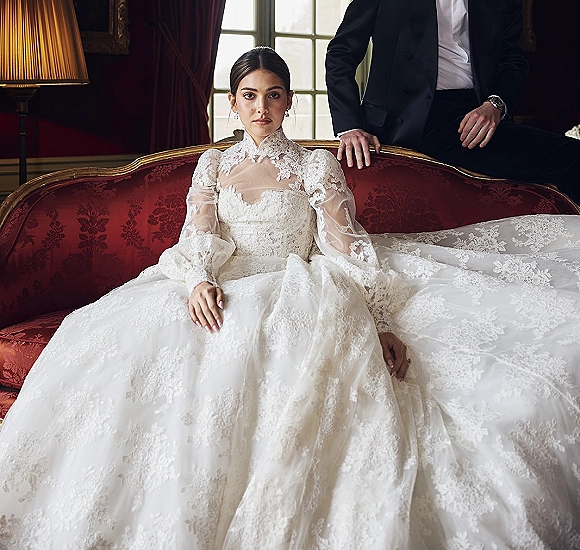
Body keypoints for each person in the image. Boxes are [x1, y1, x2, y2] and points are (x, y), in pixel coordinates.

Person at [1, 46, 580, 549]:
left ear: (288, 103)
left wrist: (378, 320)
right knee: (118, 343)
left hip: (297, 282)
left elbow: (343, 245)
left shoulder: (314, 165)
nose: (261, 108)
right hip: (222, 279)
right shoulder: (213, 165)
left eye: (273, 95)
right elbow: (198, 233)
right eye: (249, 96)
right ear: (233, 103)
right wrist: (198, 278)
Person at [325, 0, 580, 206]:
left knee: (568, 158)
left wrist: (495, 104)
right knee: (569, 157)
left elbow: (513, 58)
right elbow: (341, 52)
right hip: (412, 117)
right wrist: (349, 125)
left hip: (477, 113)